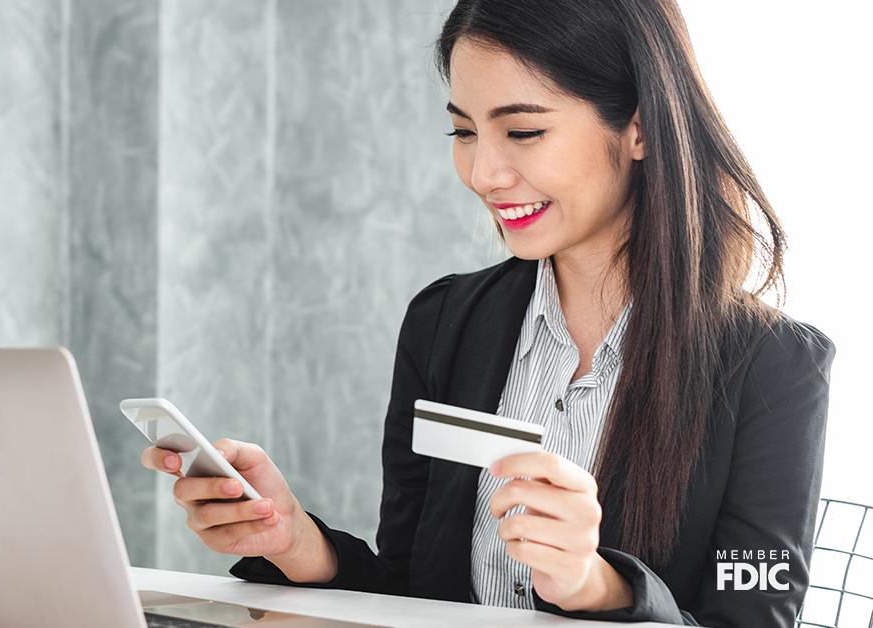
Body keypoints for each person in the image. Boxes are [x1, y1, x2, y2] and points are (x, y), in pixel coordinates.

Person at [140, 0, 835, 625]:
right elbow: (411, 590)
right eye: (464, 131)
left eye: (523, 131)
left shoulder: (776, 369)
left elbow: (755, 619)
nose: (483, 174)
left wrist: (597, 586)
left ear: (640, 128)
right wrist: (294, 539)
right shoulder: (443, 323)